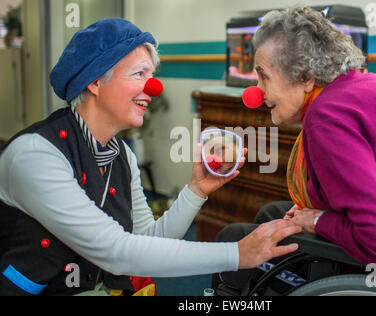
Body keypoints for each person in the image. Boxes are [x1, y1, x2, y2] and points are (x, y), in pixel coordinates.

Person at [0, 18, 303, 296]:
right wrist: (236, 254)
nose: (153, 87)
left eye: (151, 74)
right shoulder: (35, 155)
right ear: (94, 82)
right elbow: (118, 252)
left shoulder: (121, 156)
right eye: (139, 74)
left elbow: (149, 238)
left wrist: (196, 191)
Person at [216, 6, 376, 292]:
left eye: (263, 76)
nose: (256, 91)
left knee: (231, 237)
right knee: (270, 214)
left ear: (304, 76)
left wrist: (318, 220)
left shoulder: (327, 116)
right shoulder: (360, 88)